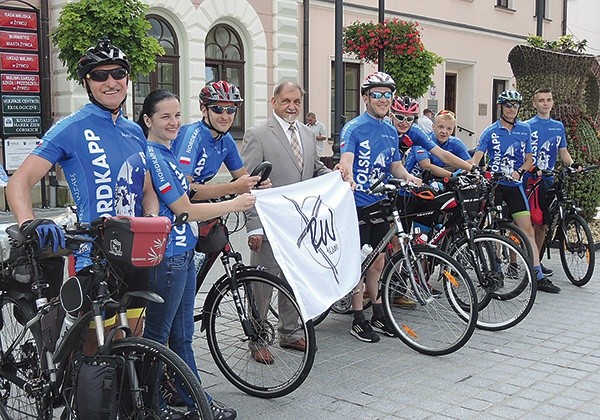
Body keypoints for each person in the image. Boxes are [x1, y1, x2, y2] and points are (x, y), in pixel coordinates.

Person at [6, 37, 158, 341]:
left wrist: (151, 219)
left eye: (118, 73)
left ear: (128, 80)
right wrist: (29, 223)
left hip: (134, 253)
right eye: (100, 75)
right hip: (93, 254)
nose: (111, 82)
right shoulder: (71, 127)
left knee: (133, 340)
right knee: (93, 350)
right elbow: (18, 182)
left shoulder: (135, 132)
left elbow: (146, 188)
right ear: (88, 83)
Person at [138, 90, 251, 420]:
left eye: (177, 116)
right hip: (168, 255)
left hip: (183, 253)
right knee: (159, 337)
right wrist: (234, 201)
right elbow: (183, 209)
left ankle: (194, 401)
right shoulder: (155, 156)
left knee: (182, 336)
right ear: (148, 120)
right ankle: (153, 405)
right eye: (165, 117)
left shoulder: (167, 152)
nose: (174, 123)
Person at [241, 81, 348, 363]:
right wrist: (254, 225)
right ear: (274, 101)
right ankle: (258, 339)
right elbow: (250, 183)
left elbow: (313, 170)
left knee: (293, 279)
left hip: (299, 226)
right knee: (263, 283)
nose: (292, 107)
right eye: (286, 101)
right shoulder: (258, 134)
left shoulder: (306, 133)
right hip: (269, 224)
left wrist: (334, 173)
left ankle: (290, 331)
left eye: (297, 102)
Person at [338, 72, 425, 343]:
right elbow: (347, 160)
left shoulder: (390, 130)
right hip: (356, 205)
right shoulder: (354, 128)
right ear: (365, 98)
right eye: (376, 94)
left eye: (387, 94)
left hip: (379, 203)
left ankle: (377, 312)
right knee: (357, 263)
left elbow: (394, 166)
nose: (383, 99)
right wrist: (348, 176)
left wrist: (409, 178)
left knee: (378, 260)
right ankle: (357, 317)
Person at [472, 89, 560, 293]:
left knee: (527, 229)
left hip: (514, 186)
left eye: (515, 105)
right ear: (500, 107)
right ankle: (494, 270)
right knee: (493, 229)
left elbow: (530, 159)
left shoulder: (524, 130)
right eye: (508, 105)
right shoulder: (490, 132)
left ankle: (537, 275)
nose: (512, 109)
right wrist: (469, 169)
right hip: (495, 187)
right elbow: (476, 159)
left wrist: (520, 171)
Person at [524, 87, 580, 279]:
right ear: (534, 103)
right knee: (524, 223)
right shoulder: (527, 125)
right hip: (529, 180)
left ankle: (536, 263)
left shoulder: (558, 126)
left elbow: (563, 152)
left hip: (548, 180)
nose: (545, 103)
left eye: (548, 100)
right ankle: (515, 263)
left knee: (543, 225)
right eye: (541, 100)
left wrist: (574, 165)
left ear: (552, 103)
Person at [404, 110, 471, 179]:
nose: (444, 131)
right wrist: (452, 175)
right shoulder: (422, 139)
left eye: (449, 129)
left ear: (453, 130)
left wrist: (464, 171)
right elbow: (426, 166)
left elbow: (470, 164)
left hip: (434, 179)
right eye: (440, 127)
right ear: (433, 127)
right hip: (412, 179)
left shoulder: (456, 142)